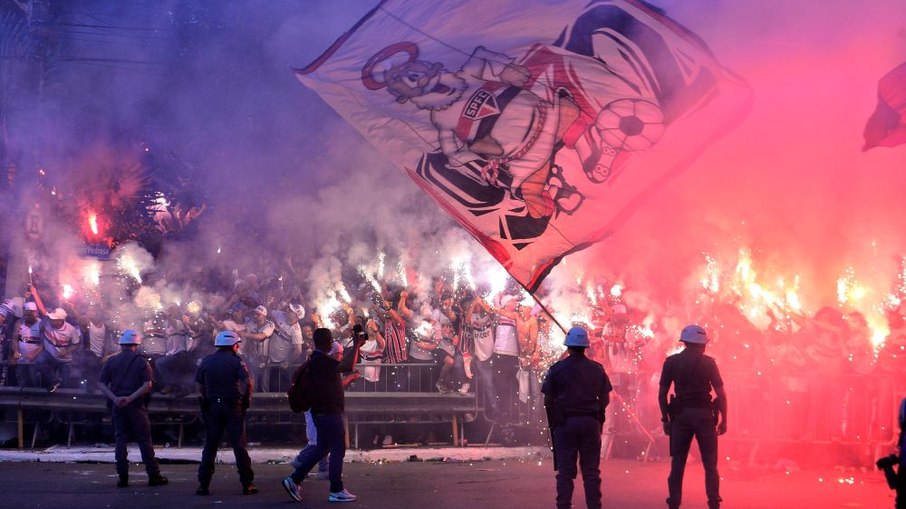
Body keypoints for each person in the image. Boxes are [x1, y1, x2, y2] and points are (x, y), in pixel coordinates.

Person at [282, 325, 365, 503]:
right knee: (337, 448)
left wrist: (356, 345)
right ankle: (336, 489)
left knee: (322, 448)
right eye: (331, 340)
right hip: (329, 412)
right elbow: (348, 365)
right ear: (328, 342)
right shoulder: (322, 361)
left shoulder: (316, 360)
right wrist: (357, 345)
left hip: (320, 412)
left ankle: (294, 479)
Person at [658, 324, 728, 509]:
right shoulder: (709, 363)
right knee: (710, 463)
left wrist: (665, 418)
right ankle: (713, 502)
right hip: (705, 415)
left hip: (681, 416)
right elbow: (721, 395)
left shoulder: (671, 362)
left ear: (685, 342)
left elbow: (662, 394)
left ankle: (674, 502)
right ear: (701, 344)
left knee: (678, 462)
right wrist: (724, 419)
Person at [542, 326, 612, 509]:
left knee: (565, 472)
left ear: (568, 346)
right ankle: (594, 505)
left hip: (565, 423)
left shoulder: (557, 369)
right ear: (585, 346)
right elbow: (605, 399)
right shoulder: (597, 369)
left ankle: (564, 505)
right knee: (591, 472)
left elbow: (548, 399)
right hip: (590, 422)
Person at [97, 330, 168, 489]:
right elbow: (148, 385)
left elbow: (101, 384)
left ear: (121, 344)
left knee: (120, 439)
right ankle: (153, 475)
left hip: (117, 405)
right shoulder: (141, 362)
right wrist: (130, 398)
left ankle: (123, 478)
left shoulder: (111, 361)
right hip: (136, 405)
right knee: (144, 440)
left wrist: (115, 398)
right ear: (136, 344)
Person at [195, 330, 256, 496]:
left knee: (210, 446)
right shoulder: (236, 362)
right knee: (239, 446)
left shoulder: (206, 361)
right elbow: (248, 382)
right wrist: (245, 400)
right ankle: (247, 484)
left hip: (212, 407)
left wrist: (206, 398)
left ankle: (203, 484)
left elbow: (199, 386)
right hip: (232, 407)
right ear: (233, 345)